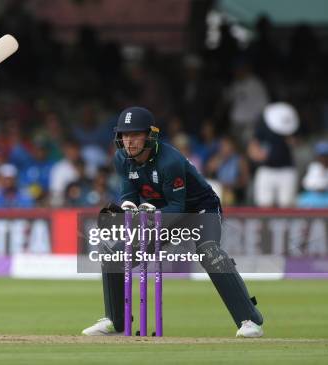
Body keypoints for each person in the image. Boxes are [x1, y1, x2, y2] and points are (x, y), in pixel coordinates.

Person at [82, 107, 264, 338]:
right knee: (114, 256)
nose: (129, 141)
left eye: (135, 134)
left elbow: (177, 208)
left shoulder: (170, 160)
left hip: (200, 210)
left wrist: (147, 217)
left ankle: (250, 320)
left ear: (150, 135)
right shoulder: (121, 158)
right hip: (161, 211)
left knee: (209, 252)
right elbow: (129, 196)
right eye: (125, 135)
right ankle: (116, 322)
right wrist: (128, 211)